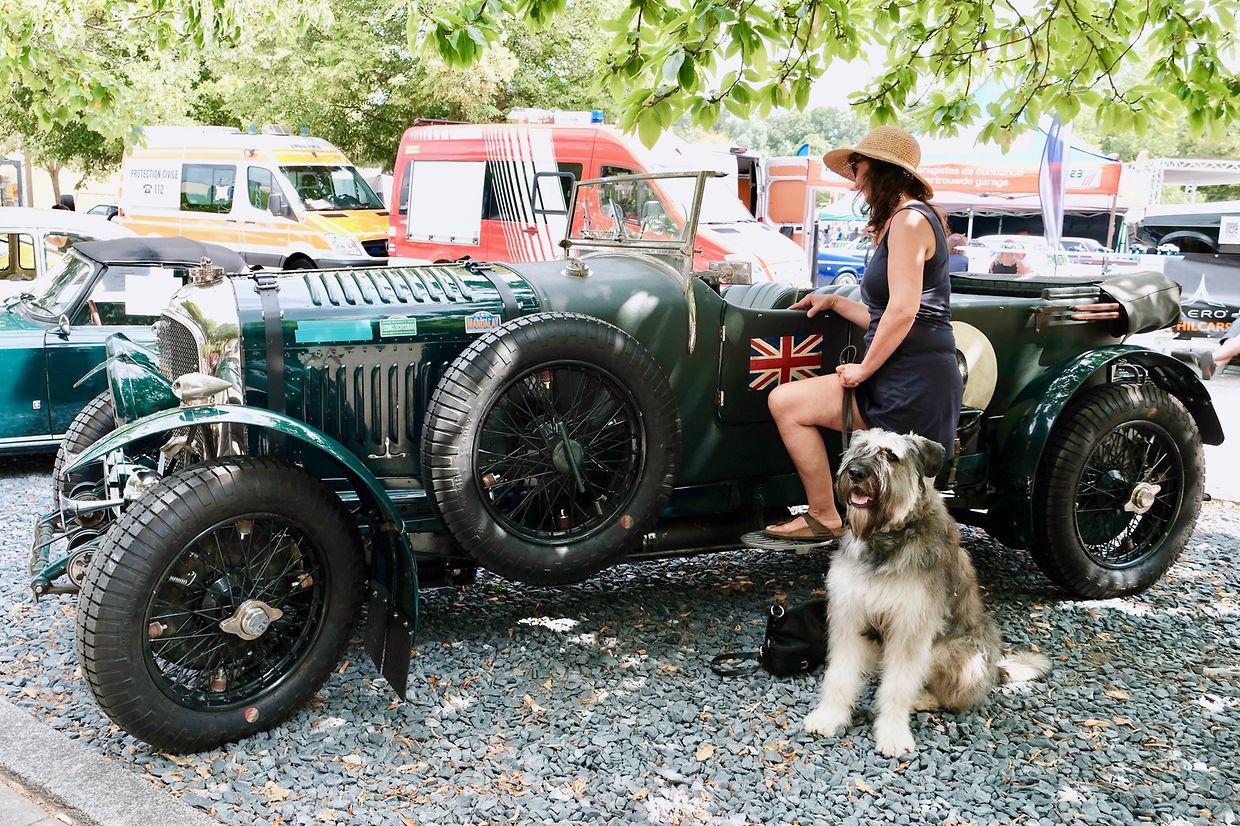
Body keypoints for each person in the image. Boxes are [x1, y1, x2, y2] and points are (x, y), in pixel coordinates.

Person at [764, 125, 964, 539]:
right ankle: (823, 515)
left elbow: (905, 311)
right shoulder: (903, 220)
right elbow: (885, 311)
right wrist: (835, 301)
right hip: (898, 371)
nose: (854, 178)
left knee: (907, 519)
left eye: (857, 166)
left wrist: (863, 369)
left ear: (880, 168)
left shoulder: (909, 221)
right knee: (787, 402)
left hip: (914, 379)